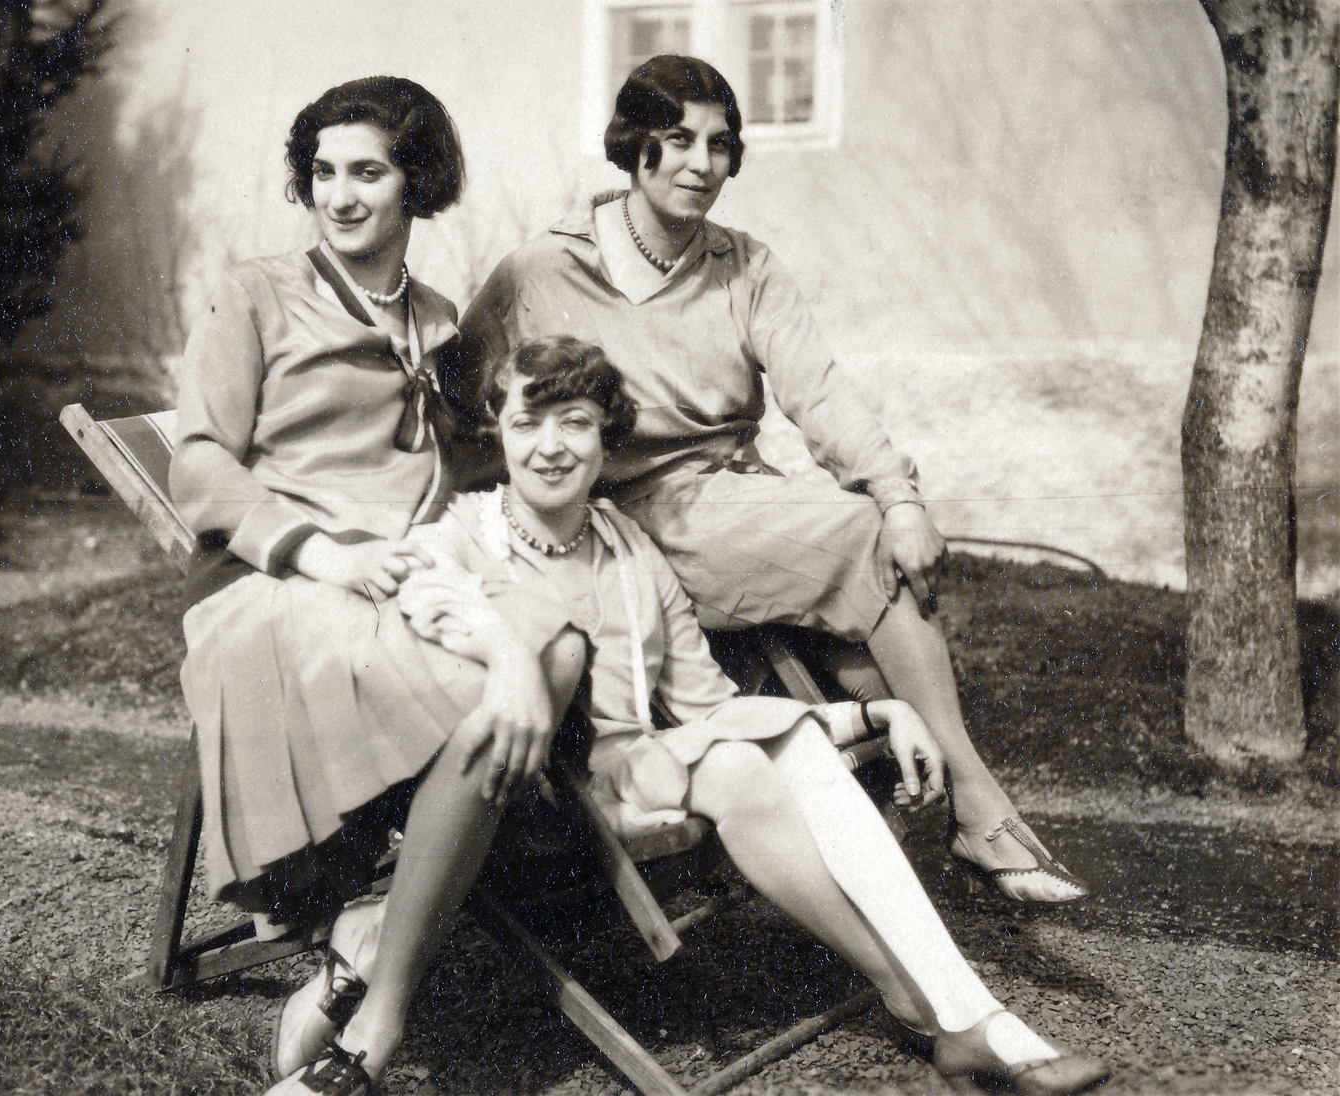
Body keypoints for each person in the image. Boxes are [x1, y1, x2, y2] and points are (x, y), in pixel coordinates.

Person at [447, 54, 1088, 905]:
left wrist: (897, 493)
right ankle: (971, 807)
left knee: (868, 579)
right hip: (623, 520)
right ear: (634, 147)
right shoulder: (539, 272)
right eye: (676, 141)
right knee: (863, 544)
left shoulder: (744, 266)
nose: (700, 165)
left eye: (719, 145)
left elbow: (818, 390)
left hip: (732, 497)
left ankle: (900, 840)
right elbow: (460, 399)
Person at [397, 336, 1110, 1095]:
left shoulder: (627, 545)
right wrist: (501, 650)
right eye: (527, 423)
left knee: (756, 750)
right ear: (496, 431)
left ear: (607, 437)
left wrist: (880, 711)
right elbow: (420, 600)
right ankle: (931, 1001)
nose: (551, 447)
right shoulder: (462, 536)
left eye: (574, 422)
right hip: (537, 792)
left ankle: (956, 1013)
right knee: (737, 762)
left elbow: (714, 705)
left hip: (645, 767)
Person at [168, 77, 584, 1096]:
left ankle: (366, 933)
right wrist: (327, 553)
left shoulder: (440, 321)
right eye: (323, 173)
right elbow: (198, 464)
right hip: (281, 582)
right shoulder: (257, 291)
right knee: (487, 693)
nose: (341, 195)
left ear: (416, 185)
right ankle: (383, 1005)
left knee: (564, 641)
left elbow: (470, 465)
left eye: (368, 171)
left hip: (409, 575)